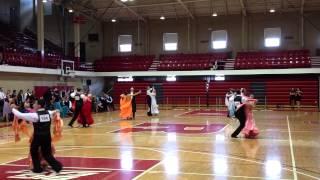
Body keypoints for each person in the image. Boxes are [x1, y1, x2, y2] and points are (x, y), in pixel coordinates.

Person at [11, 99, 63, 173]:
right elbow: (55, 111)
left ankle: (37, 168)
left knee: (33, 151)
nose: (33, 105)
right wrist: (57, 111)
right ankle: (58, 167)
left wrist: (12, 108)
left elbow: (20, 115)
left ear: (39, 105)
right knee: (47, 154)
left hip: (38, 137)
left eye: (35, 104)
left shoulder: (35, 115)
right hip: (47, 137)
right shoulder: (48, 113)